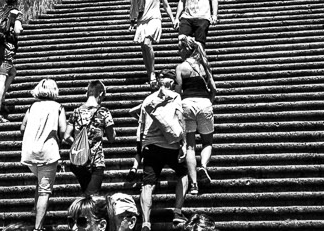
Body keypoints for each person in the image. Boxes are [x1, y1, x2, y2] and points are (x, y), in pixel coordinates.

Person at [131, 77, 192, 231]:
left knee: (147, 184)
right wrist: (183, 143)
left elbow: (141, 125)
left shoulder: (147, 99)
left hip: (150, 145)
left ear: (158, 83)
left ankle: (146, 222)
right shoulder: (175, 96)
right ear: (171, 84)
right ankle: (177, 212)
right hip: (171, 145)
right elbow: (179, 117)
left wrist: (141, 146)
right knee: (184, 173)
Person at [19, 79, 72, 231]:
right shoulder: (58, 107)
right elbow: (63, 131)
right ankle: (38, 227)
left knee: (40, 181)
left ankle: (36, 211)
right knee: (44, 190)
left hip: (29, 152)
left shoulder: (32, 106)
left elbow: (22, 128)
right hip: (48, 152)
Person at [172, 38, 218, 191]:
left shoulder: (180, 68)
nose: (179, 52)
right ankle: (203, 166)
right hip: (204, 103)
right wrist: (209, 102)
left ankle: (194, 184)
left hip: (187, 104)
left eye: (180, 49)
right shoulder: (205, 65)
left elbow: (177, 93)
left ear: (187, 49)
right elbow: (214, 89)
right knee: (207, 142)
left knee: (190, 146)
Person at [65, 79, 116, 197]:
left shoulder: (76, 112)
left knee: (87, 192)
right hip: (96, 161)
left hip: (78, 161)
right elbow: (111, 138)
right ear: (102, 93)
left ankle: (83, 213)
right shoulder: (104, 112)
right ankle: (78, 212)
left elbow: (66, 136)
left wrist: (81, 146)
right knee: (92, 195)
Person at [130, 0, 174, 81]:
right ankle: (149, 73)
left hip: (154, 18)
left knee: (147, 43)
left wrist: (173, 19)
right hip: (142, 19)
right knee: (143, 48)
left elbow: (166, 5)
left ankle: (153, 72)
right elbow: (134, 4)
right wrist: (132, 21)